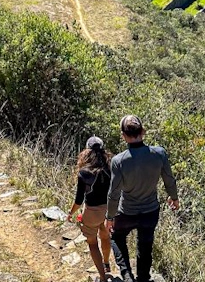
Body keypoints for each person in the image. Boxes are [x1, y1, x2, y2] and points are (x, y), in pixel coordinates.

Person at [106, 115, 179, 282]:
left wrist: (110, 217)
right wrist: (174, 197)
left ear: (123, 135)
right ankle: (143, 278)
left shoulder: (119, 161)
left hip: (126, 212)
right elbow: (169, 179)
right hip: (150, 211)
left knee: (116, 236)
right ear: (143, 132)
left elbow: (114, 193)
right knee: (145, 245)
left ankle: (127, 275)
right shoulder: (159, 153)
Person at [68, 136, 114, 282]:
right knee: (105, 236)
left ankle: (102, 277)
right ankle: (106, 263)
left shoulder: (84, 173)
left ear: (87, 151)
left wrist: (70, 213)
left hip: (92, 212)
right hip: (109, 210)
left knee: (93, 243)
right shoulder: (111, 167)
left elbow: (79, 200)